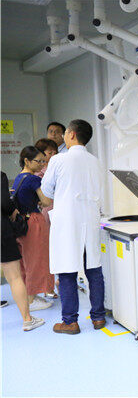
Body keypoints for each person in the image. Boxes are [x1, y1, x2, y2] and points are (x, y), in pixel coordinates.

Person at [41, 119, 105, 335]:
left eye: (65, 133)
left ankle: (70, 321)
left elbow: (47, 191)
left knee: (67, 270)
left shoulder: (59, 160)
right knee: (94, 269)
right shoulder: (95, 161)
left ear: (72, 135)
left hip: (68, 221)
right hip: (91, 220)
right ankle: (98, 317)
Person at [13, 146, 55, 311]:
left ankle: (29, 295)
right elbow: (46, 201)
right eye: (39, 161)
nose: (42, 164)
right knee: (37, 260)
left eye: (43, 161)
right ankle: (31, 300)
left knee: (26, 261)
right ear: (27, 161)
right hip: (34, 221)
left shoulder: (19, 178)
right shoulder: (33, 179)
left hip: (21, 223)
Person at [1, 171, 45, 331]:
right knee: (14, 277)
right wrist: (12, 207)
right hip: (2, 231)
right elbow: (4, 203)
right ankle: (27, 320)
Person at [34, 138, 60, 298]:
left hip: (59, 211)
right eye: (50, 152)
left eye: (55, 152)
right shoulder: (38, 173)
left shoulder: (57, 167)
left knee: (58, 249)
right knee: (47, 252)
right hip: (46, 214)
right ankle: (48, 287)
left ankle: (58, 282)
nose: (53, 155)